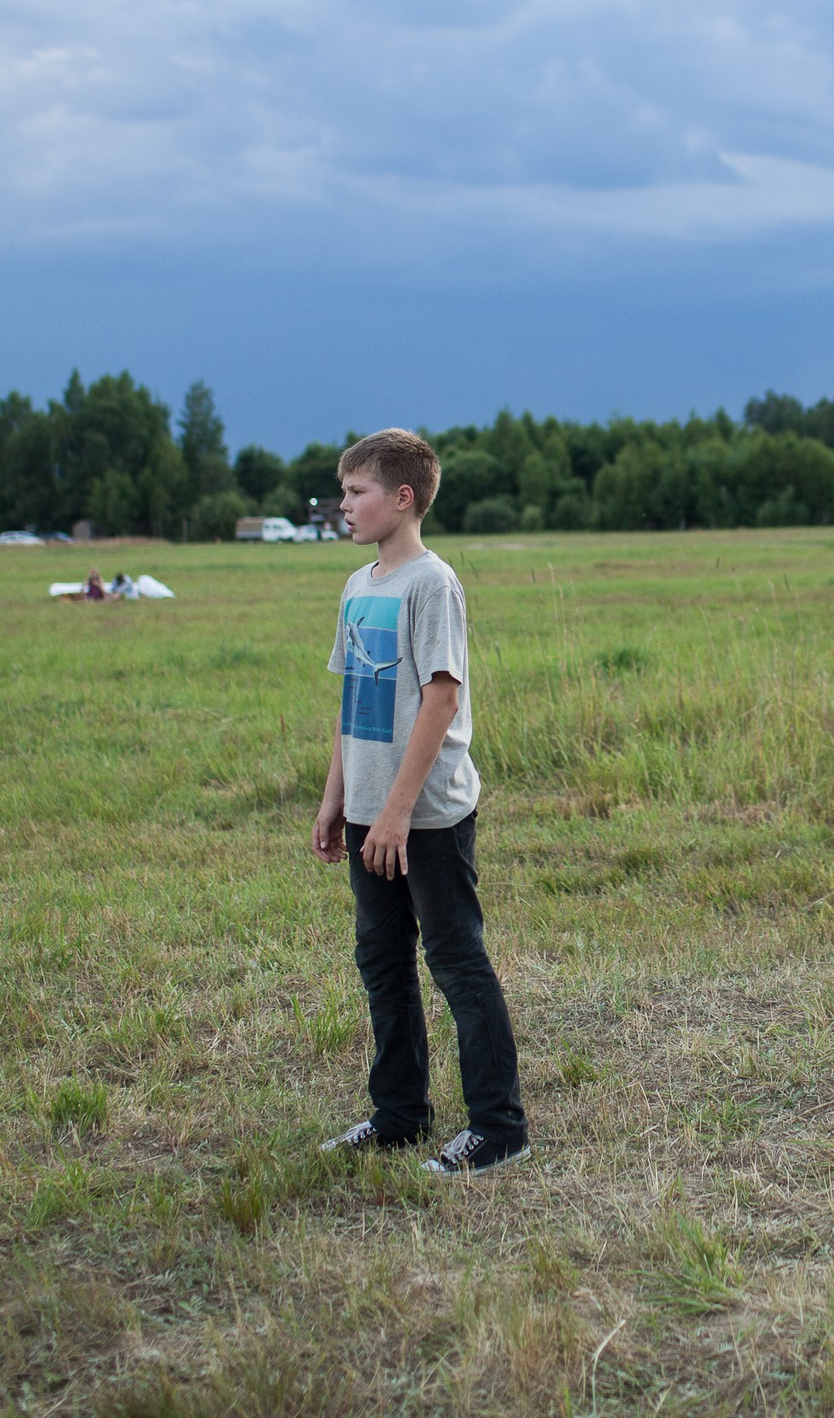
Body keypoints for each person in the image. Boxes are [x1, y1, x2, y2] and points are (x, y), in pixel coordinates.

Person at [310, 428, 527, 1177]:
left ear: (402, 498)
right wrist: (338, 798)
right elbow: (350, 696)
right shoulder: (358, 583)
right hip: (373, 808)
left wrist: (399, 809)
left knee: (456, 960)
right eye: (343, 491)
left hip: (426, 813)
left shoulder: (432, 583)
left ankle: (499, 1126)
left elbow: (441, 698)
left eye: (357, 491)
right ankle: (400, 1114)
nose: (343, 504)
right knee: (382, 961)